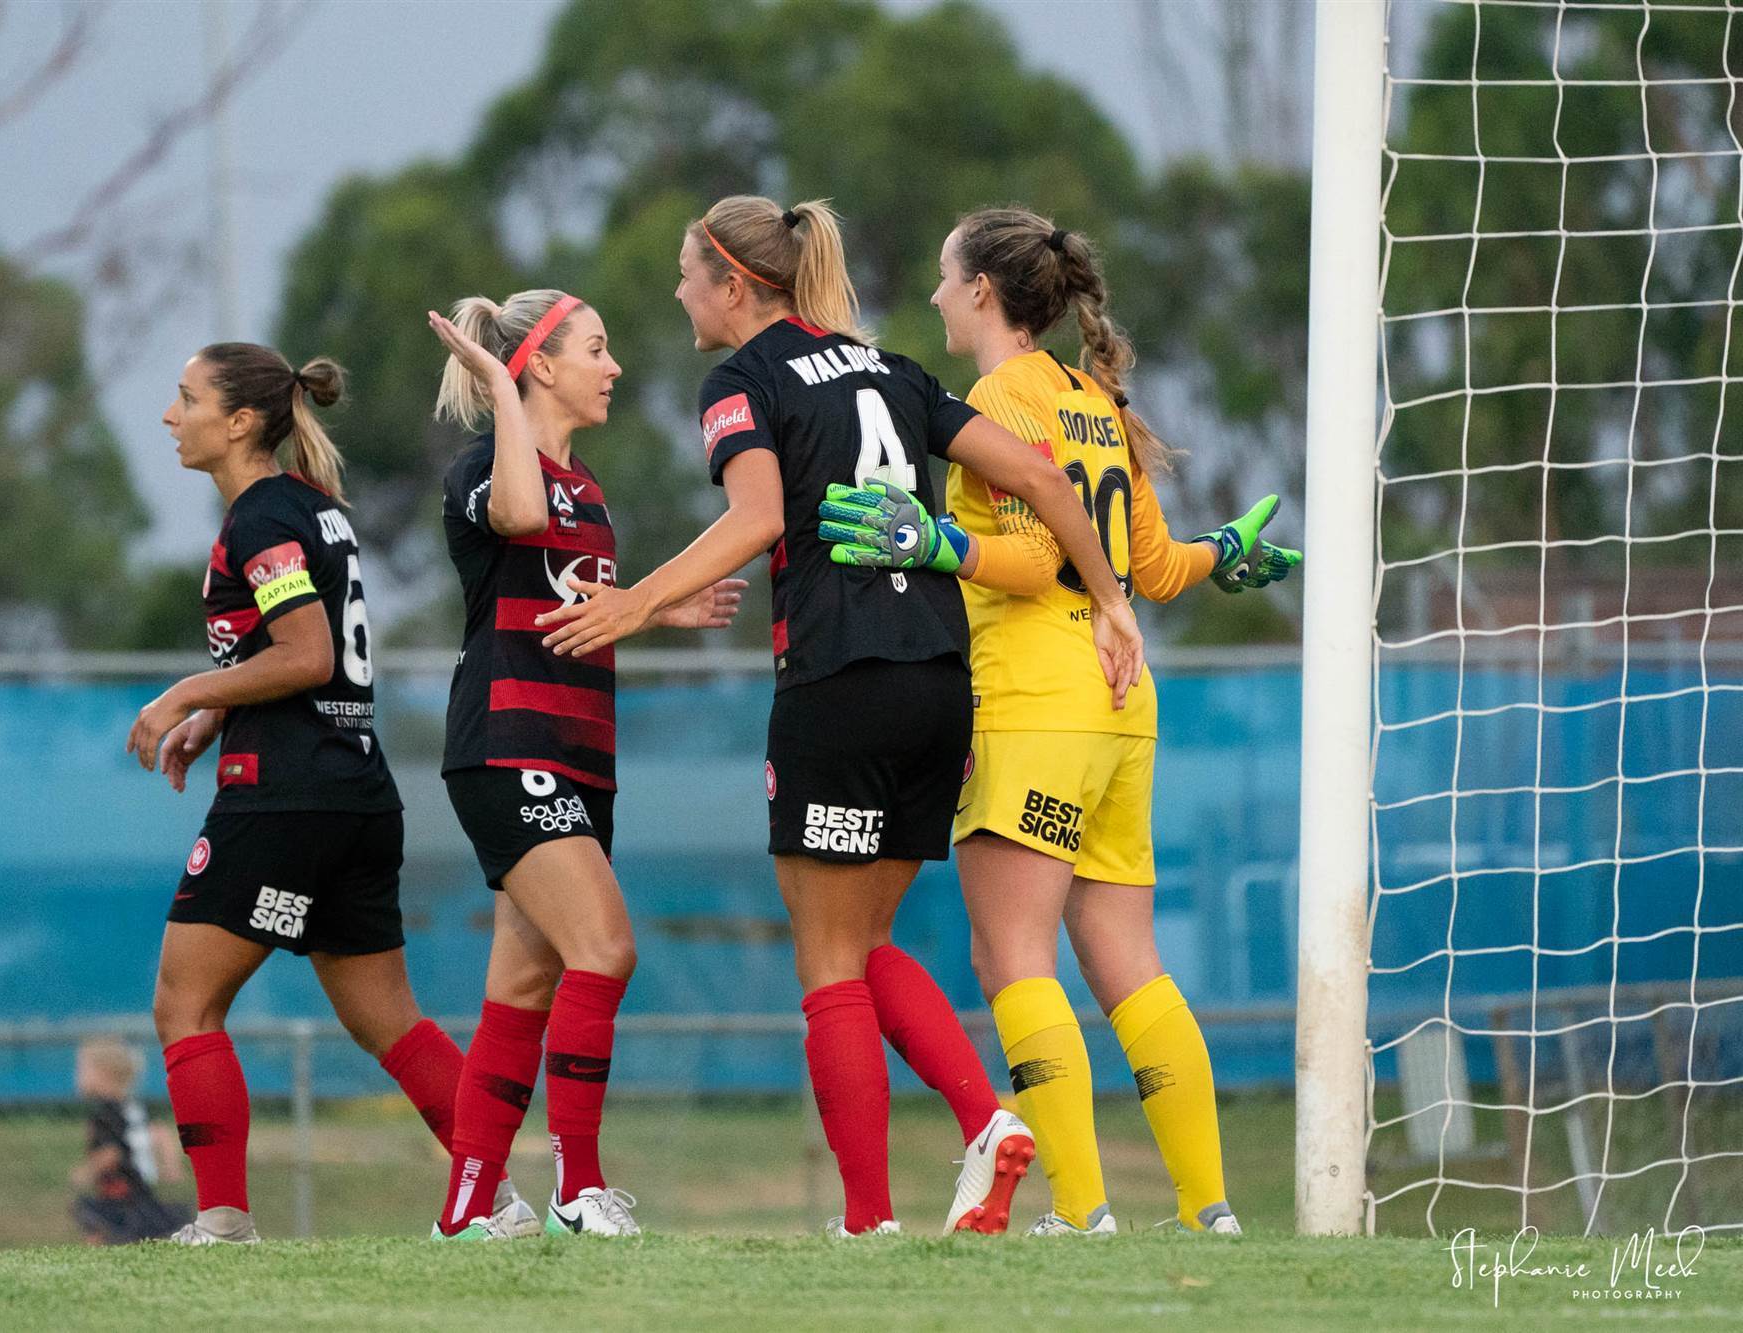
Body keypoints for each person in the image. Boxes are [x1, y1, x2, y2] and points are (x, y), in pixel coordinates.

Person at [536, 196, 1145, 1236]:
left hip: (837, 680)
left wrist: (633, 602)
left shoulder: (742, 378)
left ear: (733, 283)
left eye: (688, 274)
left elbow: (759, 516)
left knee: (824, 959)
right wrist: (1112, 600)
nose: (679, 293)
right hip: (939, 684)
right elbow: (1042, 478)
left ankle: (869, 1217)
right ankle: (982, 1123)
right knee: (862, 941)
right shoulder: (894, 369)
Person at [817, 206, 1300, 1237]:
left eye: (947, 279)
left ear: (982, 292)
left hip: (1036, 699)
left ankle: (1080, 1214)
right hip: (1123, 709)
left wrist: (931, 543)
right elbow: (1156, 569)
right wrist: (1227, 551)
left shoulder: (997, 395)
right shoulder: (1095, 396)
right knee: (1127, 958)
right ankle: (1206, 1207)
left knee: (1012, 958)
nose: (939, 296)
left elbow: (1034, 559)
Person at [128, 342, 536, 1244]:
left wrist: (184, 693)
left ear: (239, 421)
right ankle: (496, 1201)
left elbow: (308, 654)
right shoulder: (311, 507)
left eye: (185, 397)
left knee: (184, 1004)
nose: (170, 414)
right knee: (391, 1021)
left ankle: (222, 1220)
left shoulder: (262, 516)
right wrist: (222, 711)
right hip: (354, 790)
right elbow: (301, 665)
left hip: (284, 798)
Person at [426, 291, 746, 1240]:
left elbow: (576, 607)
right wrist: (496, 388)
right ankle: (578, 1188)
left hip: (578, 755)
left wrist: (656, 610)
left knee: (521, 988)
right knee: (606, 948)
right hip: (505, 744)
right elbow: (519, 515)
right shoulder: (486, 466)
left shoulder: (591, 486)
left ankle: (467, 1209)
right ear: (540, 364)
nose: (613, 368)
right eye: (596, 351)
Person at [69, 1037, 192, 1245]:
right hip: (141, 1191)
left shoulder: (104, 1113)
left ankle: (93, 1253)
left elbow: (112, 1153)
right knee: (139, 1234)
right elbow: (160, 1133)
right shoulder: (132, 1107)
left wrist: (87, 1171)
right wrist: (171, 1164)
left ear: (103, 1073)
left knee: (95, 1219)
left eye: (82, 1069)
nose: (77, 1076)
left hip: (121, 1191)